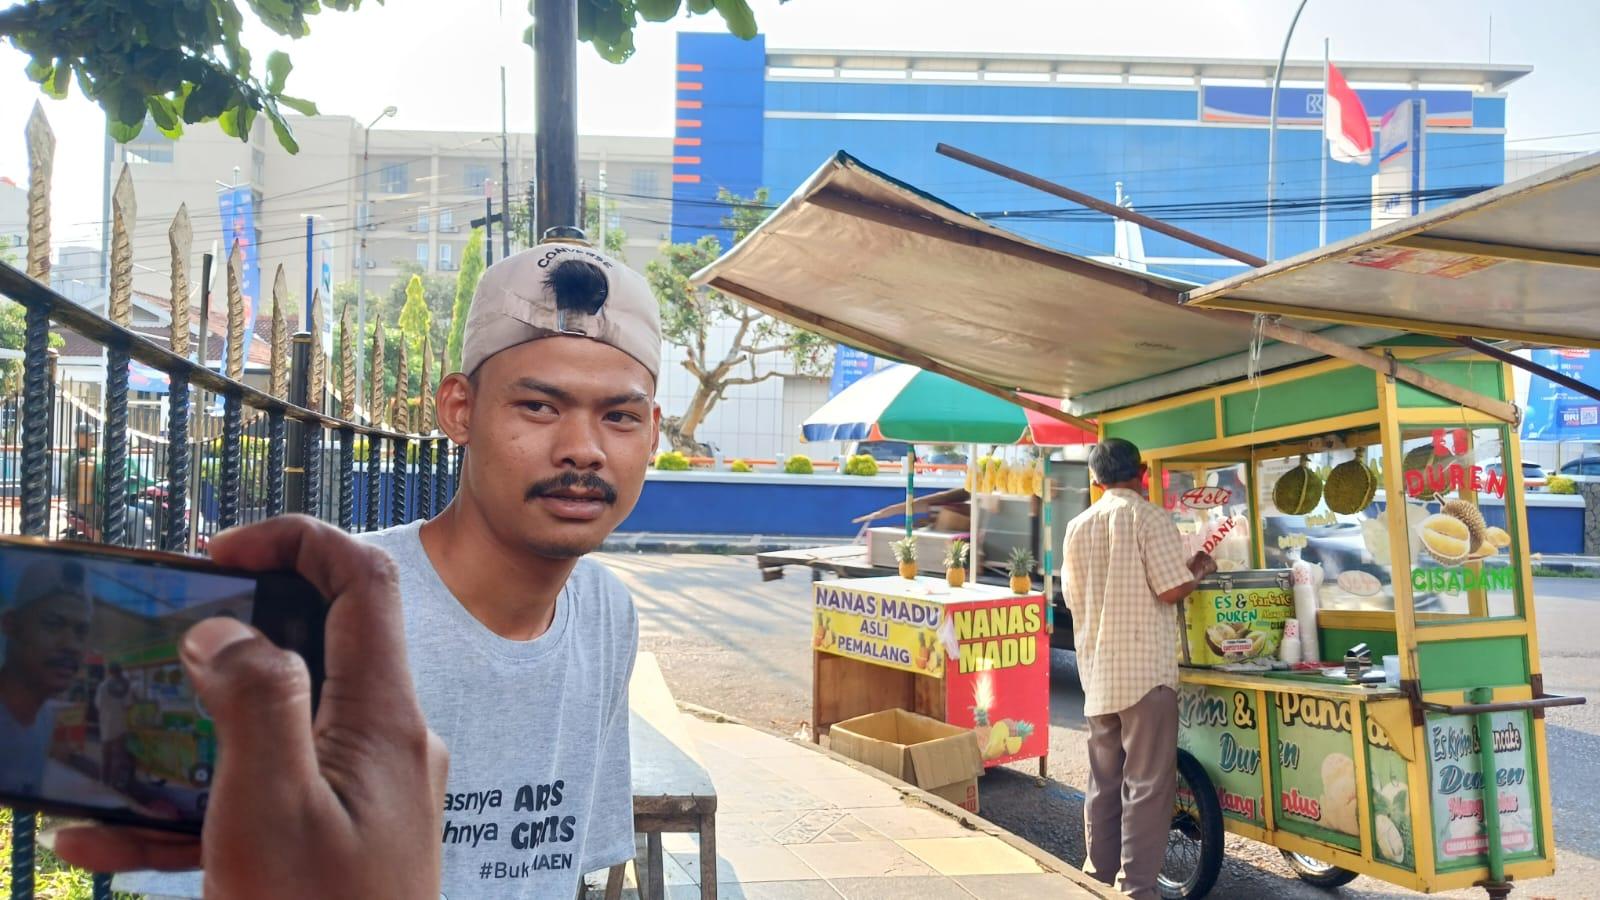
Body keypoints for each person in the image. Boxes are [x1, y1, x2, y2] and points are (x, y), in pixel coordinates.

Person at [357, 238, 659, 898]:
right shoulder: (328, 609)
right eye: (540, 407)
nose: (583, 451)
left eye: (619, 416)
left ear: (654, 433)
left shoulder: (606, 614)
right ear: (459, 410)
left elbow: (560, 872)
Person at [47, 515, 449, 900]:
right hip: (119, 735)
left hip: (124, 736)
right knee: (117, 766)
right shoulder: (104, 694)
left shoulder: (112, 692)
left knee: (121, 767)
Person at [1060, 438, 1216, 899]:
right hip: (1144, 674)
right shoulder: (1149, 516)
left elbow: (1073, 599)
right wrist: (1199, 569)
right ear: (1142, 472)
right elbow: (1171, 589)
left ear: (1095, 480)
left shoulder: (1077, 526)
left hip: (1097, 674)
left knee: (1104, 783)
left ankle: (1095, 880)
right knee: (1148, 787)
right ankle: (1138, 890)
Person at [0, 560, 92, 795]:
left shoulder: (44, 719)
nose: (71, 645)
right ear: (11, 624)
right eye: (53, 624)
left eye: (80, 632)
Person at [94, 662, 134, 789]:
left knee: (105, 755)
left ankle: (103, 782)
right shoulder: (125, 686)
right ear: (120, 671)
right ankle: (113, 784)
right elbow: (128, 705)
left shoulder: (103, 686)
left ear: (109, 671)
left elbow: (98, 705)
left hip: (106, 724)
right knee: (118, 756)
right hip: (120, 724)